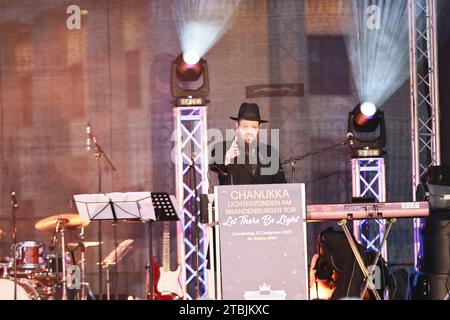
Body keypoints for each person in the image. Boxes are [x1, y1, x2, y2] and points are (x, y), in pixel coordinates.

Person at [209, 102, 286, 185]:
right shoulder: (222, 148)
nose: (249, 131)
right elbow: (213, 165)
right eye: (245, 126)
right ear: (237, 126)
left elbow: (281, 185)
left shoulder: (270, 152)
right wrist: (227, 157)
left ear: (259, 127)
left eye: (254, 127)